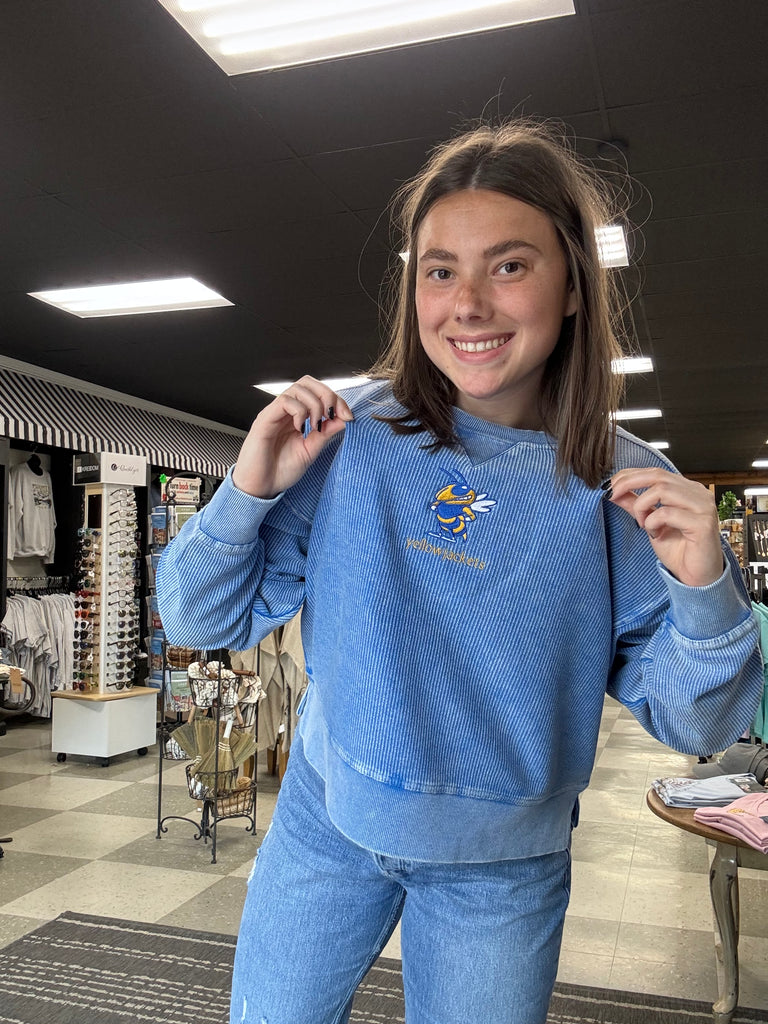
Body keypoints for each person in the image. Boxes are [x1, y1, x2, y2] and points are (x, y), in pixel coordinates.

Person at [156, 120, 763, 1024]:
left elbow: (701, 719)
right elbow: (196, 620)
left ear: (571, 289)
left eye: (510, 266)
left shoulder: (624, 484)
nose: (468, 303)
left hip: (503, 871)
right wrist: (246, 491)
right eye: (440, 270)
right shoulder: (346, 438)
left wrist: (709, 595)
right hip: (325, 827)